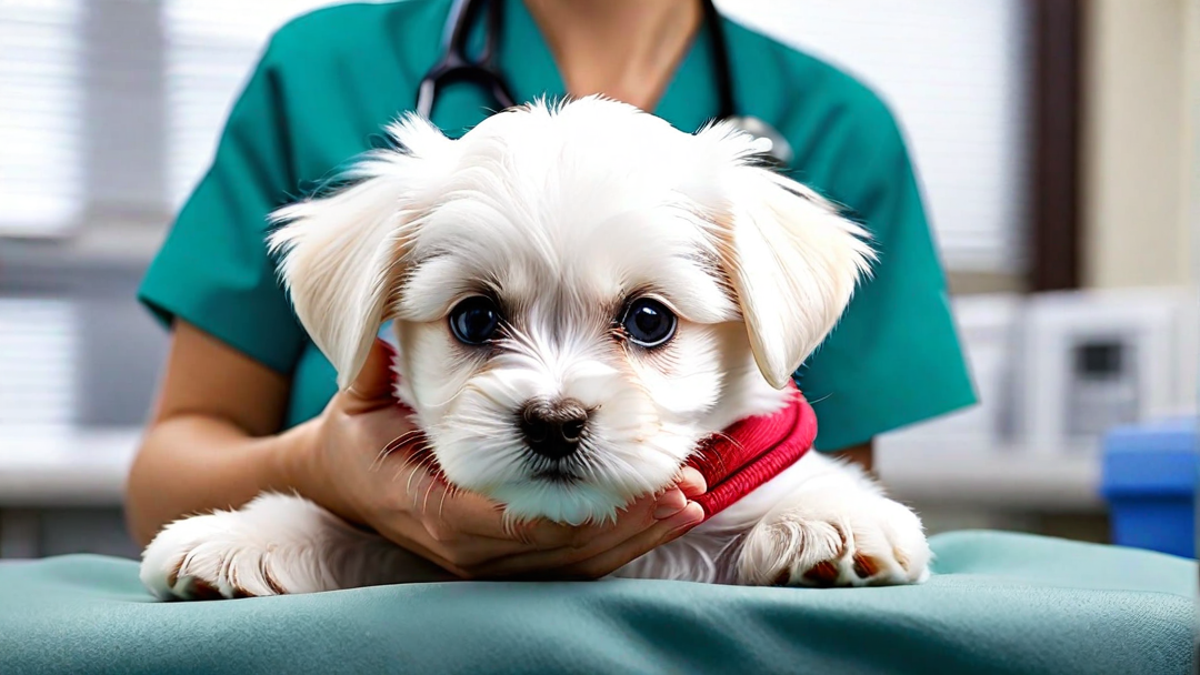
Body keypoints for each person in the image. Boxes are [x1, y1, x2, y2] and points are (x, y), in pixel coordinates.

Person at [125, 0, 975, 580]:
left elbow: (829, 554)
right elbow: (165, 485)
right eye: (477, 319)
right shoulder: (321, 66)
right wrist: (324, 481)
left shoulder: (836, 124)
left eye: (646, 321)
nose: (553, 397)